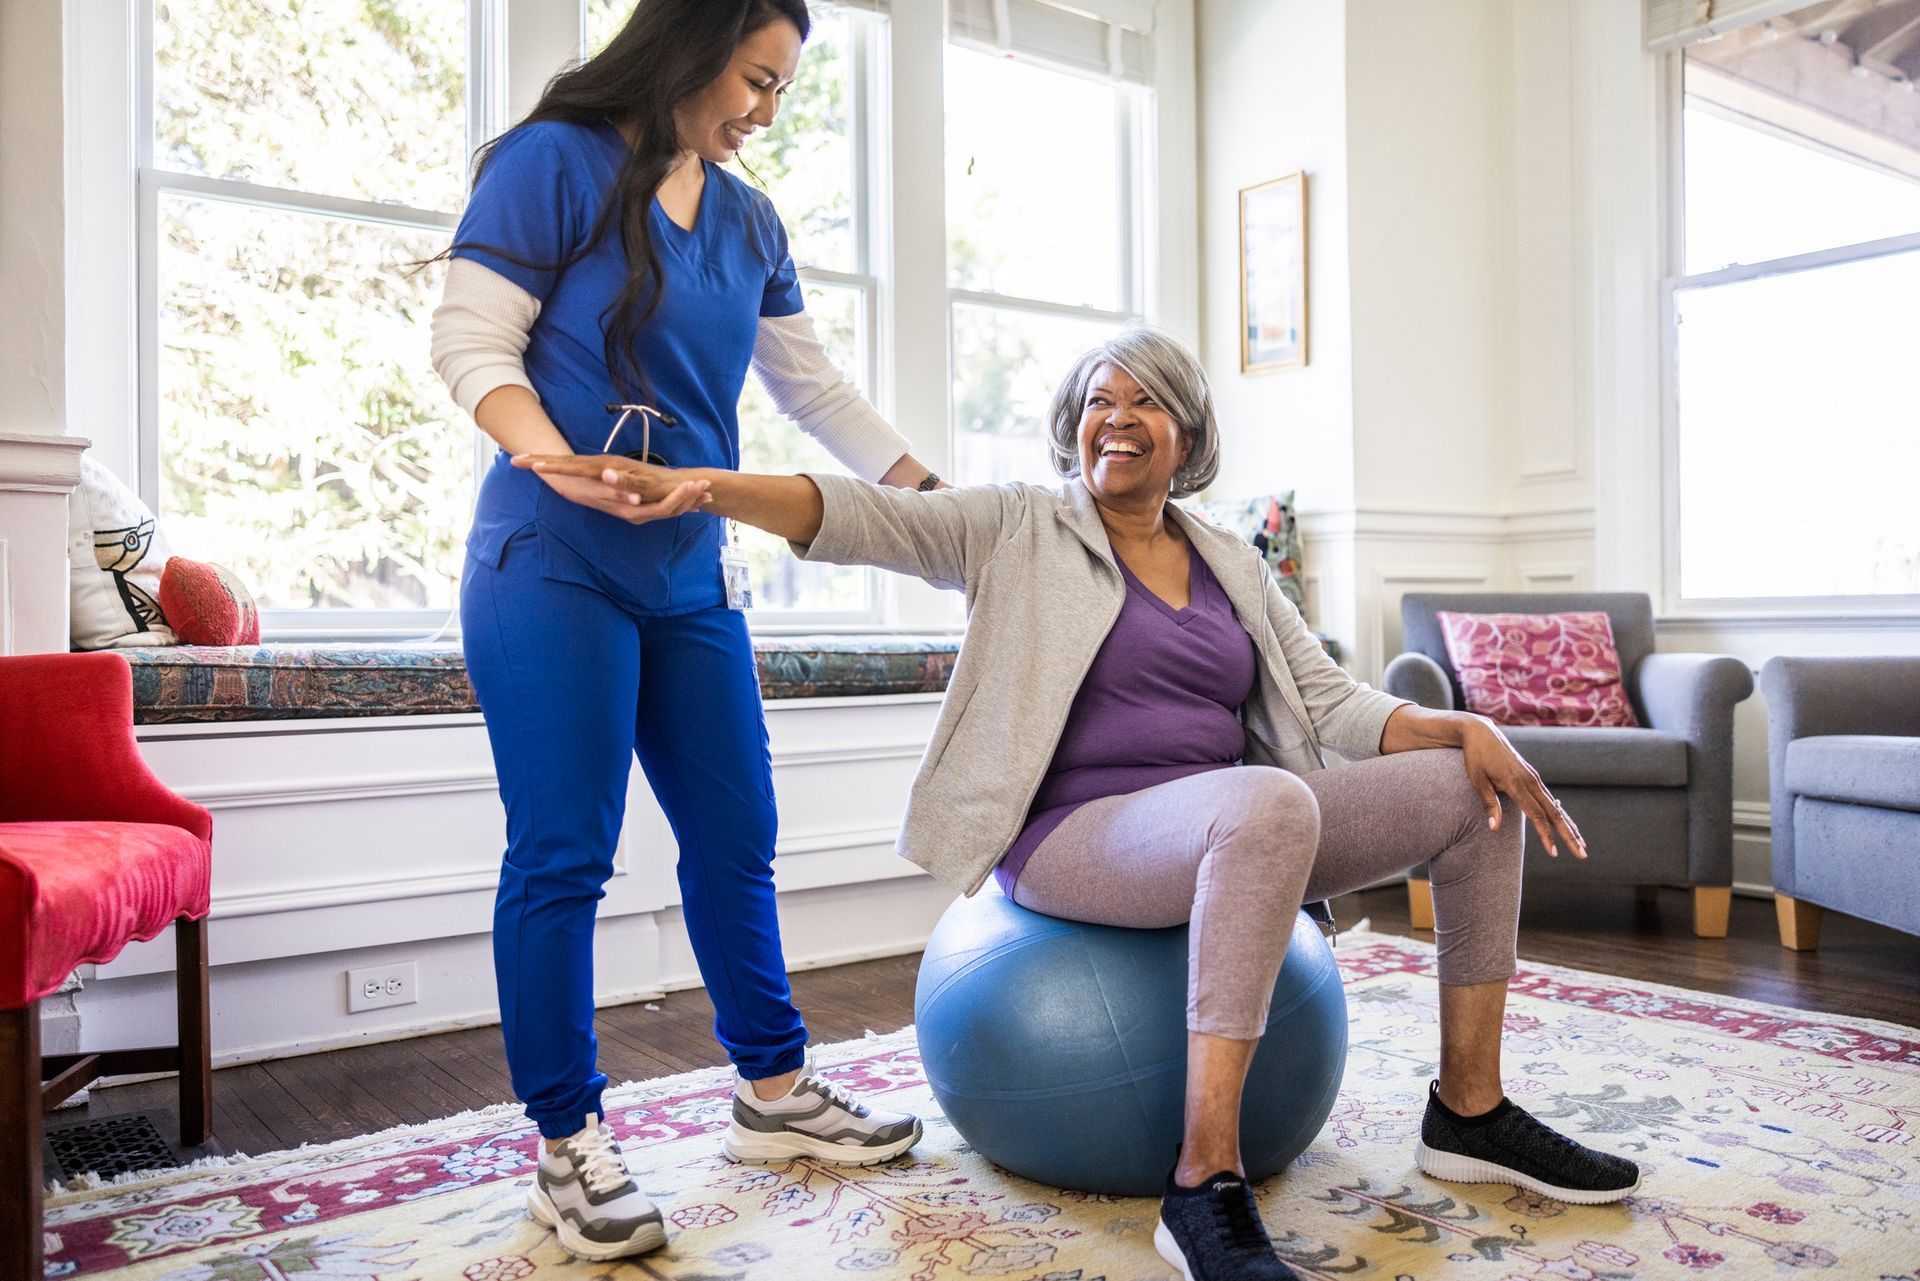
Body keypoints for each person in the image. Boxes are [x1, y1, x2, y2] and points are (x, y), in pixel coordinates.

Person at [519, 328, 1644, 1281]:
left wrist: (1466, 730)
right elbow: (858, 514)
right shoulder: (1019, 526)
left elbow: (1332, 703)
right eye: (1099, 400)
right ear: (1073, 427)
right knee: (1264, 808)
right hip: (1077, 839)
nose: (1118, 416)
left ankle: (1470, 1112)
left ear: (1188, 437)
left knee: (1468, 793)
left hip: (1236, 824)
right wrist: (706, 488)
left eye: (1146, 400)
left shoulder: (1231, 558)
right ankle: (1202, 1184)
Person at [428, 0, 929, 1262]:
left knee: (737, 835)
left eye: (779, 91)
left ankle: (773, 1094)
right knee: (563, 857)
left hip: (691, 571)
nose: (764, 112)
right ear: (691, 45)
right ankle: (566, 1146)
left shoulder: (750, 219)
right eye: (755, 80)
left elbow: (811, 388)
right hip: (553, 561)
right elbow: (470, 341)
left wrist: (935, 500)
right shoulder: (553, 162)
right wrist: (554, 461)